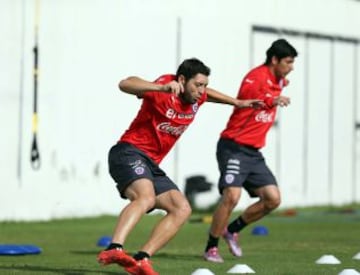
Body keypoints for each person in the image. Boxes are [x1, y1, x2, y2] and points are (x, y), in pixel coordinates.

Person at [97, 58, 263, 275]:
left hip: (151, 164)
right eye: (198, 85)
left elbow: (208, 94)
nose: (201, 91)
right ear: (182, 80)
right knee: (145, 197)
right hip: (128, 152)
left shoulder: (197, 96)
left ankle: (142, 259)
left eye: (204, 85)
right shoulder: (164, 88)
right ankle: (114, 248)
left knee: (181, 208)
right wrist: (159, 86)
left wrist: (237, 102)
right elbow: (125, 83)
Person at [203, 39, 298, 263]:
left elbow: (281, 81)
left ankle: (232, 230)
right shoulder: (255, 76)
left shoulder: (279, 79)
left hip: (254, 153)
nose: (292, 66)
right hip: (233, 146)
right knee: (232, 196)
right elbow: (249, 96)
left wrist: (282, 84)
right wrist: (272, 99)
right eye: (288, 61)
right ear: (274, 60)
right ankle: (211, 248)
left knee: (273, 199)